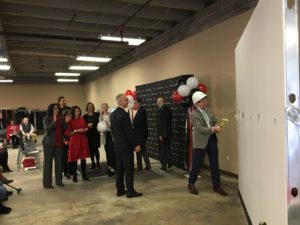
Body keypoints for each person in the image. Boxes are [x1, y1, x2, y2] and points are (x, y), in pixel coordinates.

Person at [187, 91, 227, 196]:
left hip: (212, 140)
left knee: (214, 163)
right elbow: (199, 129)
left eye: (205, 100)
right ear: (196, 103)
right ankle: (191, 184)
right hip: (200, 142)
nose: (205, 103)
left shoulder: (209, 110)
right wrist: (214, 129)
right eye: (201, 101)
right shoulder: (194, 115)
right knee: (197, 164)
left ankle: (217, 186)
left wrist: (217, 125)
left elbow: (214, 121)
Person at [110, 94, 142, 198]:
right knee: (128, 169)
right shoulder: (124, 114)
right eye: (125, 100)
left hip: (117, 146)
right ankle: (130, 191)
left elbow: (113, 131)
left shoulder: (113, 114)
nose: (128, 102)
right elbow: (129, 132)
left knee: (119, 168)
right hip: (125, 147)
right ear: (119, 102)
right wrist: (136, 144)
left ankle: (120, 189)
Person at [42, 103, 67, 189]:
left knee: (59, 164)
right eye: (55, 108)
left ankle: (59, 181)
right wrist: (54, 121)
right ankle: (47, 183)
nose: (57, 110)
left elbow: (65, 130)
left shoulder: (61, 119)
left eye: (58, 109)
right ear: (51, 110)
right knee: (48, 164)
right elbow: (47, 129)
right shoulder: (46, 118)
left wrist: (67, 122)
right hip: (48, 144)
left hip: (59, 144)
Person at [65, 106, 90, 182]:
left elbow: (86, 128)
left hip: (83, 139)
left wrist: (85, 129)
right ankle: (74, 175)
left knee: (83, 158)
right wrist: (76, 131)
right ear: (73, 112)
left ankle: (84, 175)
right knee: (74, 159)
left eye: (78, 111)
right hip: (74, 140)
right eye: (76, 111)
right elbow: (68, 133)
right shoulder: (70, 121)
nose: (78, 112)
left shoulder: (82, 119)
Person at [133, 98, 151, 171]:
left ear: (139, 103)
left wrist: (132, 122)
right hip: (140, 134)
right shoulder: (140, 110)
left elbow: (140, 122)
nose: (134, 104)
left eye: (135, 103)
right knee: (142, 150)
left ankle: (140, 167)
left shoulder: (141, 110)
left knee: (140, 150)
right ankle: (146, 166)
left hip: (141, 134)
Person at [99, 103, 116, 176]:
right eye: (103, 107)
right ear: (101, 108)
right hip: (104, 135)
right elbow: (100, 125)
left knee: (111, 151)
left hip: (111, 135)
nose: (105, 108)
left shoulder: (111, 115)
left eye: (106, 106)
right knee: (107, 152)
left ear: (108, 107)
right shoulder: (100, 117)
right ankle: (109, 167)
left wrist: (108, 124)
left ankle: (113, 168)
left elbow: (113, 125)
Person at [156, 97, 173, 171]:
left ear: (160, 102)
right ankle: (170, 162)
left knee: (162, 149)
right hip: (169, 132)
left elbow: (160, 123)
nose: (157, 104)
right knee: (168, 148)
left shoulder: (159, 110)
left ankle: (163, 165)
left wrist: (160, 134)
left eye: (157, 102)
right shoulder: (169, 110)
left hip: (162, 134)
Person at [83, 102, 100, 169]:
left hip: (95, 134)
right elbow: (83, 124)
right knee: (91, 150)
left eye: (92, 106)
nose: (90, 107)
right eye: (89, 106)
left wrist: (93, 124)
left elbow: (99, 122)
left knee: (95, 149)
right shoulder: (84, 116)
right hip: (88, 135)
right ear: (87, 108)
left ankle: (98, 163)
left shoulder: (97, 114)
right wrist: (87, 125)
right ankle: (93, 163)